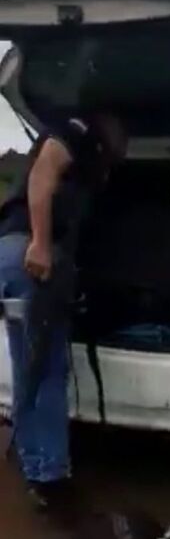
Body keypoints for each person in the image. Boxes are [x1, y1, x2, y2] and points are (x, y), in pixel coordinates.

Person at [0, 110, 127, 514]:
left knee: (30, 366)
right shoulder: (78, 131)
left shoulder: (92, 160)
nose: (124, 149)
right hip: (29, 256)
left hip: (13, 255)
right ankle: (50, 476)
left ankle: (34, 461)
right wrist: (40, 243)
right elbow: (43, 172)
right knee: (46, 369)